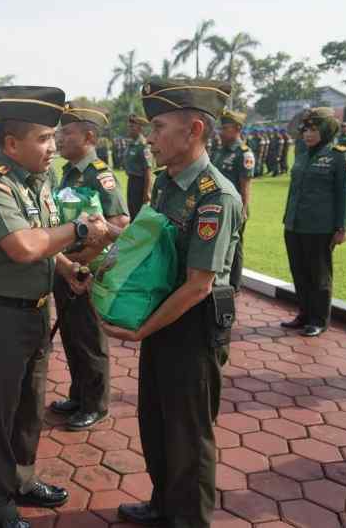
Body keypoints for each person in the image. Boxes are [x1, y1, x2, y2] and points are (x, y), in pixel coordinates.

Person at [0, 85, 111, 528]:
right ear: (11, 144)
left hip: (34, 311)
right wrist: (79, 229)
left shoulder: (36, 181)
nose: (53, 147)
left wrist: (66, 267)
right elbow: (25, 245)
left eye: (54, 137)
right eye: (44, 138)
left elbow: (45, 242)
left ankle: (23, 480)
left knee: (29, 408)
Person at [103, 79, 243, 528]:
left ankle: (189, 519)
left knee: (189, 435)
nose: (149, 137)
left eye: (159, 127)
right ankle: (163, 503)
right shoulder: (167, 183)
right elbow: (151, 246)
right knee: (157, 420)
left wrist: (141, 330)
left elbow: (199, 285)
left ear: (194, 129)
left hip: (193, 328)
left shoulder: (215, 196)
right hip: (163, 317)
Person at [49, 102, 129, 431]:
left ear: (89, 137)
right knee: (71, 334)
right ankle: (79, 394)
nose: (59, 138)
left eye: (67, 132)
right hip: (68, 266)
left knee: (89, 338)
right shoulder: (69, 172)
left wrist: (83, 259)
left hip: (88, 270)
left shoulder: (100, 175)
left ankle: (95, 404)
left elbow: (119, 223)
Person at [281, 107, 346, 337]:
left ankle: (319, 320)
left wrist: (342, 227)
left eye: (314, 129)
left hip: (320, 227)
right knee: (299, 272)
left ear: (327, 130)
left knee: (319, 275)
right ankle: (303, 314)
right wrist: (288, 219)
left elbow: (344, 195)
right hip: (294, 224)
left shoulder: (340, 157)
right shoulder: (302, 153)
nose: (308, 134)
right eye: (306, 130)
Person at [212, 109, 254, 292]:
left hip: (235, 208)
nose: (221, 132)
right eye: (221, 128)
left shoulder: (244, 153)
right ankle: (219, 280)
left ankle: (234, 286)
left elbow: (245, 185)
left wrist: (243, 210)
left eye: (225, 128)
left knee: (234, 247)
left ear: (237, 128)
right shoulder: (219, 151)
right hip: (218, 206)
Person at [124, 114, 154, 218]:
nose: (129, 129)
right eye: (129, 126)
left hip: (140, 183)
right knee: (132, 211)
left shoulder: (143, 145)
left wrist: (147, 192)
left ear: (140, 128)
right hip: (131, 181)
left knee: (138, 214)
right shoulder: (131, 144)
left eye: (132, 126)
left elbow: (148, 170)